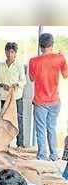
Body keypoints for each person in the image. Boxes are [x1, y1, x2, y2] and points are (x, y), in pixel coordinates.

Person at [29, 33, 68, 161]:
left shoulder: (33, 61)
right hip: (55, 101)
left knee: (40, 130)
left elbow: (31, 78)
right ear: (52, 45)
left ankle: (41, 157)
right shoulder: (60, 59)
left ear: (40, 46)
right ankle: (54, 155)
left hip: (40, 102)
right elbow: (65, 75)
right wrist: (62, 56)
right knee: (51, 127)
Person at [0, 42, 27, 148]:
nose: (9, 54)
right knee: (5, 121)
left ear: (15, 53)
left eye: (12, 52)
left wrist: (17, 84)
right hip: (4, 97)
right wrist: (2, 84)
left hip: (16, 98)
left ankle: (20, 145)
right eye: (7, 51)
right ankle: (5, 144)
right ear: (5, 52)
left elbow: (24, 81)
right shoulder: (1, 66)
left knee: (18, 120)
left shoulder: (19, 66)